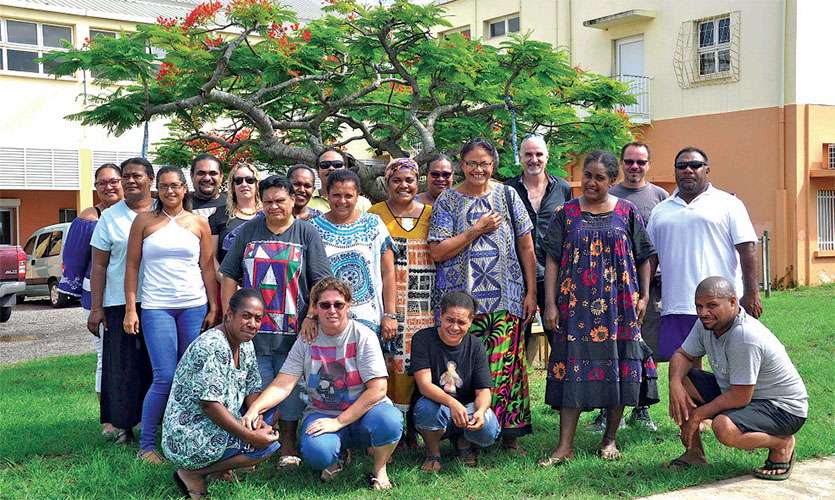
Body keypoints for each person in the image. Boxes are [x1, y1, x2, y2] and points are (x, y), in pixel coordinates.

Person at [540, 150, 657, 465]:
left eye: (599, 177)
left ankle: (610, 439)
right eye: (587, 175)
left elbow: (644, 254)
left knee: (617, 367)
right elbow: (551, 259)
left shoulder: (627, 212)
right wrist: (550, 303)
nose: (591, 182)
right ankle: (564, 445)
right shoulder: (565, 213)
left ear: (612, 180)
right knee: (572, 368)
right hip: (574, 307)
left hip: (620, 307)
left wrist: (644, 297)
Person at [429, 138, 537, 453]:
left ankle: (507, 433)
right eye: (472, 163)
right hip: (461, 306)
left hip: (506, 299)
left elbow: (526, 245)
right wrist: (475, 230)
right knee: (461, 371)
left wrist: (531, 290)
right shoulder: (448, 200)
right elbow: (437, 251)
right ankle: (465, 438)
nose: (479, 169)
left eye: (485, 163)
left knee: (506, 368)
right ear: (462, 165)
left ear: (494, 165)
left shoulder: (508, 195)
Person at [243, 278, 402, 490]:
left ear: (349, 305)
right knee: (317, 454)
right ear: (315, 308)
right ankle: (336, 456)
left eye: (339, 304)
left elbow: (378, 389)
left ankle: (380, 469)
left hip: (365, 412)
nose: (332, 310)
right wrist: (255, 409)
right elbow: (283, 384)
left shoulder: (363, 335)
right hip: (323, 412)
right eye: (325, 305)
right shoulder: (307, 339)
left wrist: (339, 422)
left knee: (390, 420)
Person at [219, 175, 332, 468]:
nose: (274, 207)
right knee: (257, 386)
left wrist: (311, 315)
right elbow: (229, 273)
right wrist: (228, 315)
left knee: (292, 391)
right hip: (252, 330)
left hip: (295, 331)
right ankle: (259, 443)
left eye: (280, 201)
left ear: (293, 200)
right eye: (267, 202)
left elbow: (321, 281)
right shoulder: (247, 231)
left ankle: (289, 446)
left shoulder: (307, 233)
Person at [667, 276, 807, 481]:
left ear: (733, 302)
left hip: (783, 409)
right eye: (699, 306)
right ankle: (694, 454)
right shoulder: (706, 324)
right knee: (684, 379)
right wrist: (674, 382)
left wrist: (698, 415)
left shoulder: (744, 336)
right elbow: (682, 355)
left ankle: (782, 444)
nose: (703, 313)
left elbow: (740, 397)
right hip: (741, 394)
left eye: (712, 305)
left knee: (723, 427)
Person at [124, 166, 219, 463]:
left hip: (193, 305)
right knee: (165, 376)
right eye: (164, 187)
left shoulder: (198, 223)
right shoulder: (143, 222)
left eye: (176, 186)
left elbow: (207, 267)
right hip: (157, 307)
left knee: (190, 376)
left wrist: (214, 305)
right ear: (157, 190)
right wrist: (130, 308)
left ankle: (185, 437)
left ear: (184, 188)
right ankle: (148, 445)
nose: (170, 191)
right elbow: (131, 267)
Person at [162, 289, 280, 499]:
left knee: (270, 413)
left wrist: (258, 419)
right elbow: (209, 405)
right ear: (229, 315)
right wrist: (249, 434)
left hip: (215, 420)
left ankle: (219, 468)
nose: (252, 324)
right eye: (246, 316)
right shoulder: (212, 346)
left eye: (258, 319)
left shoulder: (245, 344)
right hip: (189, 430)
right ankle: (191, 473)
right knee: (263, 447)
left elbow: (252, 388)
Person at [647, 147, 761, 363]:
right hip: (676, 304)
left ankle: (730, 399)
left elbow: (747, 249)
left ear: (707, 169)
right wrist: (643, 295)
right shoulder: (660, 211)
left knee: (733, 364)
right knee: (685, 371)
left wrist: (751, 293)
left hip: (722, 304)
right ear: (675, 171)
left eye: (695, 165)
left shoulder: (728, 204)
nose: (688, 170)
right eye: (681, 166)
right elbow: (651, 258)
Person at [592, 141, 668, 432]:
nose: (635, 167)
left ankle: (642, 408)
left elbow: (651, 250)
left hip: (648, 286)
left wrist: (647, 291)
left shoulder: (660, 197)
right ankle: (607, 411)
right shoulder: (608, 194)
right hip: (609, 290)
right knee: (608, 348)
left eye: (641, 161)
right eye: (629, 161)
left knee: (643, 347)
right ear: (621, 165)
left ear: (649, 164)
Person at [368, 158, 436, 446]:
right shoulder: (375, 214)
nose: (403, 185)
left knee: (419, 362)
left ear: (417, 181)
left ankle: (417, 428)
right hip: (390, 302)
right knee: (390, 363)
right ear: (387, 182)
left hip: (425, 303)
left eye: (409, 180)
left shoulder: (433, 213)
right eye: (397, 180)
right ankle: (392, 430)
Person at [87, 157, 154, 445]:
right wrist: (96, 307)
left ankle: (157, 423)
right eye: (125, 176)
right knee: (122, 367)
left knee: (155, 366)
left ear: (150, 179)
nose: (129, 181)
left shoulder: (164, 211)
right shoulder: (110, 217)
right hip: (118, 303)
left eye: (136, 175)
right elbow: (99, 266)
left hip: (159, 300)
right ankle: (123, 426)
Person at [58, 163, 124, 439]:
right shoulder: (89, 218)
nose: (109, 187)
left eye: (114, 181)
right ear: (95, 186)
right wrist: (91, 306)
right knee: (105, 359)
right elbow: (74, 261)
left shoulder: (136, 214)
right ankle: (108, 421)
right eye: (102, 182)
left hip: (132, 297)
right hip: (100, 299)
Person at [411, 291, 499, 472]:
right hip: (436, 406)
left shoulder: (476, 345)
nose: (454, 327)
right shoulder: (422, 339)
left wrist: (481, 411)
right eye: (450, 320)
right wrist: (452, 403)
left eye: (461, 322)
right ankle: (433, 453)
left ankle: (463, 442)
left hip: (466, 408)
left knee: (488, 429)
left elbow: (483, 390)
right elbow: (424, 385)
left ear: (471, 321)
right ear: (440, 316)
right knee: (426, 408)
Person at [504, 134, 573, 364]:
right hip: (516, 277)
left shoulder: (562, 188)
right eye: (529, 155)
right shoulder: (508, 190)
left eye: (539, 154)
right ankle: (514, 395)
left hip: (554, 275)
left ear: (547, 157)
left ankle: (564, 396)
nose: (534, 159)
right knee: (515, 343)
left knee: (560, 338)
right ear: (520, 157)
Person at [310, 169, 397, 338]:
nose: (342, 201)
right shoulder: (313, 228)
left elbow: (388, 272)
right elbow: (310, 277)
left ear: (358, 196)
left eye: (348, 196)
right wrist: (311, 315)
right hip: (327, 318)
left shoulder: (373, 223)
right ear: (327, 194)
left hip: (367, 318)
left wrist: (390, 314)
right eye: (336, 195)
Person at [208, 163, 262, 268]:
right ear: (233, 186)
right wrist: (224, 281)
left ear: (257, 183)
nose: (244, 184)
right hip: (227, 280)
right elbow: (211, 257)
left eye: (249, 180)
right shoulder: (219, 215)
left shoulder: (269, 213)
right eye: (238, 181)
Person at [307, 148, 372, 213]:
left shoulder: (363, 204)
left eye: (337, 164)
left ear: (346, 169)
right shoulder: (305, 202)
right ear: (317, 171)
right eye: (325, 165)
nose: (331, 168)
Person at [189, 153, 226, 219]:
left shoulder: (233, 204)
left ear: (221, 177)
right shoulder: (179, 205)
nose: (207, 178)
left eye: (213, 173)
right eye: (201, 173)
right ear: (192, 176)